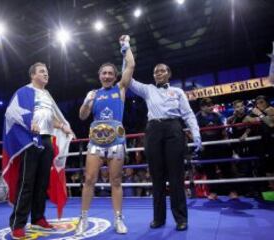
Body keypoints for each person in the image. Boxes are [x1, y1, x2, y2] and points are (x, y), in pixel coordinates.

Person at [2, 62, 74, 239]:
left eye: (47, 72)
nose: (46, 74)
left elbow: (49, 119)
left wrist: (62, 126)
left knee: (42, 182)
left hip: (47, 139)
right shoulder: (24, 92)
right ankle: (17, 224)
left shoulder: (48, 95)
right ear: (32, 75)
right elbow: (11, 112)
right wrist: (29, 122)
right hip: (30, 140)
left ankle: (38, 217)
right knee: (27, 183)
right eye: (42, 72)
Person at [128, 63, 201, 231]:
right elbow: (129, 80)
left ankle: (181, 219)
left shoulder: (178, 92)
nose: (159, 73)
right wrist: (126, 55)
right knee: (157, 177)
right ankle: (158, 218)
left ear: (169, 73)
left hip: (174, 128)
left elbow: (188, 114)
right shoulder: (148, 89)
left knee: (176, 177)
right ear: (153, 75)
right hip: (153, 130)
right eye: (155, 71)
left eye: (162, 70)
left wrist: (196, 133)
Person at [75, 35, 135, 235]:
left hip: (116, 141)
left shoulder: (121, 89)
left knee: (116, 181)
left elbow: (131, 65)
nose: (107, 76)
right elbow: (82, 116)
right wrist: (86, 102)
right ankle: (83, 219)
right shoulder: (93, 93)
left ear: (115, 75)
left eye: (110, 73)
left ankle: (118, 219)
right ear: (99, 75)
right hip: (95, 142)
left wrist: (125, 46)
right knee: (89, 179)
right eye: (104, 73)